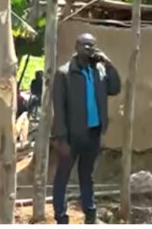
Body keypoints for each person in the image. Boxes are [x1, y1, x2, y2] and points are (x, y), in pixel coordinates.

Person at [51, 32, 121, 224]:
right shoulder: (64, 73)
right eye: (85, 45)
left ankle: (90, 215)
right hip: (72, 136)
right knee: (62, 177)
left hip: (93, 133)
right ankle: (61, 216)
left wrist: (108, 63)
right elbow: (59, 108)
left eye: (92, 45)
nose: (89, 49)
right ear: (76, 47)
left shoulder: (99, 70)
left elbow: (115, 88)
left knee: (87, 176)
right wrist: (61, 138)